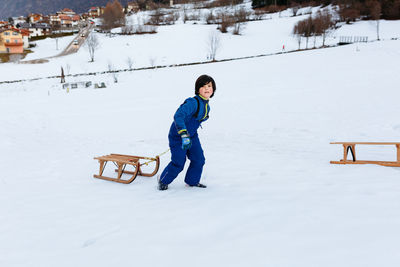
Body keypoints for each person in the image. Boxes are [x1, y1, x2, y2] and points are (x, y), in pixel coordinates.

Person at [158, 75, 216, 191]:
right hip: (178, 136)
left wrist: (190, 134)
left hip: (192, 135)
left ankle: (192, 181)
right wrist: (183, 134)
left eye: (209, 86)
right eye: (203, 86)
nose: (206, 88)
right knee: (178, 162)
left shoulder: (206, 106)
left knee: (199, 159)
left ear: (213, 89)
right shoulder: (192, 102)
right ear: (197, 89)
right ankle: (163, 181)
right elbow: (178, 115)